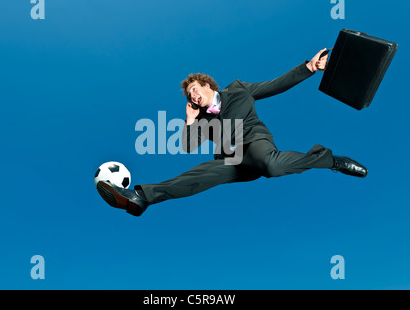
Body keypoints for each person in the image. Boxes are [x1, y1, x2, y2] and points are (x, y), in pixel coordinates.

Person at [97, 49, 368, 217]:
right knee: (197, 177)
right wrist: (190, 120)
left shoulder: (239, 89)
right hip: (231, 158)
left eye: (194, 89)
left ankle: (330, 160)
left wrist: (309, 67)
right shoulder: (200, 117)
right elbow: (189, 146)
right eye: (189, 94)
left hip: (255, 142)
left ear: (206, 85)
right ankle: (141, 198)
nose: (192, 95)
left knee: (272, 166)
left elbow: (275, 85)